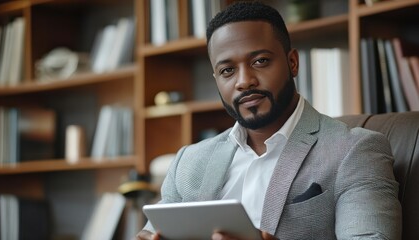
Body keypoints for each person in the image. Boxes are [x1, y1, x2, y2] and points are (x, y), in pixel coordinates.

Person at [136, 1, 401, 239]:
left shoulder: (354, 151)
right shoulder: (189, 162)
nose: (244, 81)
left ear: (292, 63)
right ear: (216, 79)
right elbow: (150, 232)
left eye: (260, 61)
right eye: (227, 70)